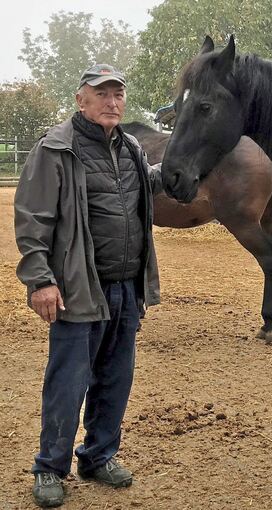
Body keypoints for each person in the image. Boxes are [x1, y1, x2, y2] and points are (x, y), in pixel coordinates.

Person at [14, 64, 161, 508]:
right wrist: (41, 281)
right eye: (102, 94)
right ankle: (49, 467)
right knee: (68, 381)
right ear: (81, 100)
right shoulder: (56, 148)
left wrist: (175, 171)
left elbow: (140, 195)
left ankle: (98, 456)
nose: (113, 102)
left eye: (118, 94)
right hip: (78, 287)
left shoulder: (131, 147)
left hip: (125, 285)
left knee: (115, 380)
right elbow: (34, 220)